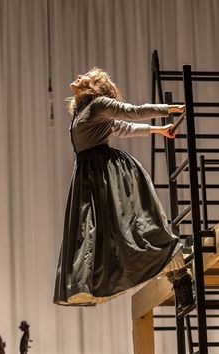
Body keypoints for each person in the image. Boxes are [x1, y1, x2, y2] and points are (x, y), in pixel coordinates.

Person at [53, 67, 194, 315]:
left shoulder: (98, 104)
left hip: (108, 174)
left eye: (86, 75)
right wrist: (158, 130)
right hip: (89, 179)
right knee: (104, 238)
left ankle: (179, 273)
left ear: (94, 86)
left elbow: (133, 113)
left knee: (137, 229)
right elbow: (121, 128)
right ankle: (171, 273)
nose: (78, 76)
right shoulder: (82, 111)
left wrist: (170, 110)